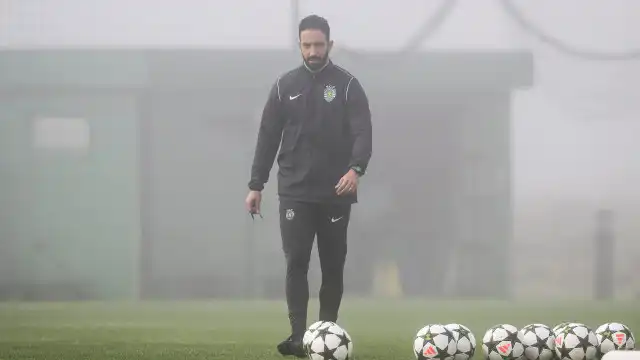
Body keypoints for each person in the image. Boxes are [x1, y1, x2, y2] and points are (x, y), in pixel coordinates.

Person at [245, 14, 373, 358]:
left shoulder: (347, 86)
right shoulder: (283, 86)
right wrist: (256, 185)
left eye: (319, 45)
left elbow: (363, 132)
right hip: (294, 192)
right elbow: (267, 137)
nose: (313, 51)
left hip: (336, 192)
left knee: (332, 265)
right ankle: (299, 336)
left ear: (330, 45)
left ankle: (327, 334)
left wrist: (356, 169)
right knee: (296, 262)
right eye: (307, 45)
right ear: (299, 46)